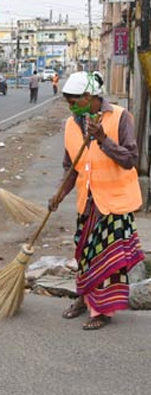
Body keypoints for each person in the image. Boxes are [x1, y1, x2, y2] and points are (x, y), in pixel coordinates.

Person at [49, 71, 144, 331]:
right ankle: (82, 298)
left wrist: (103, 139)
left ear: (89, 97)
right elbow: (71, 168)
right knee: (83, 253)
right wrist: (59, 193)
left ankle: (101, 310)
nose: (71, 107)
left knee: (107, 258)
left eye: (74, 102)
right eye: (68, 103)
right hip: (88, 202)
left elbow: (129, 159)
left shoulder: (120, 117)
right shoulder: (72, 124)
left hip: (114, 202)